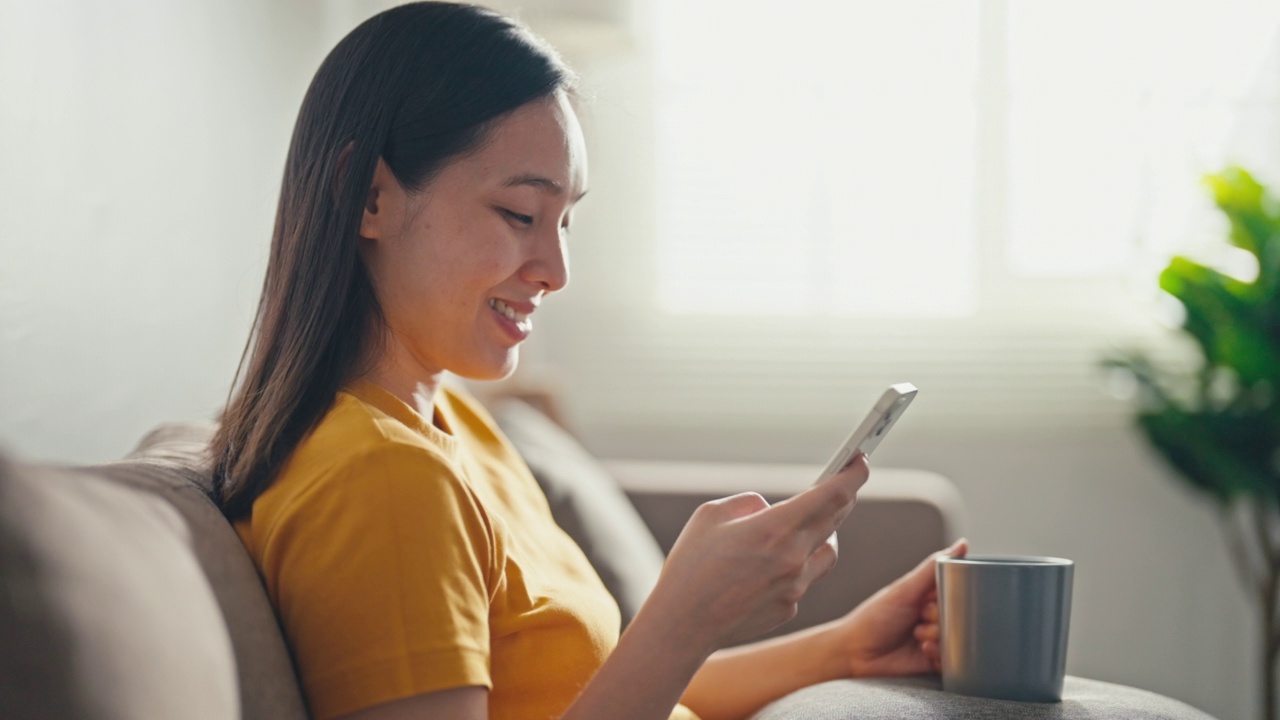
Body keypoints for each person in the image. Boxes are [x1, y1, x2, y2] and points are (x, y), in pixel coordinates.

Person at [210, 3, 968, 720]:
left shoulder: (457, 425)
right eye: (520, 214)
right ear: (366, 196)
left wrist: (850, 649)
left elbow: (604, 690)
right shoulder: (380, 479)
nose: (556, 268)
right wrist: (684, 616)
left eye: (566, 220)